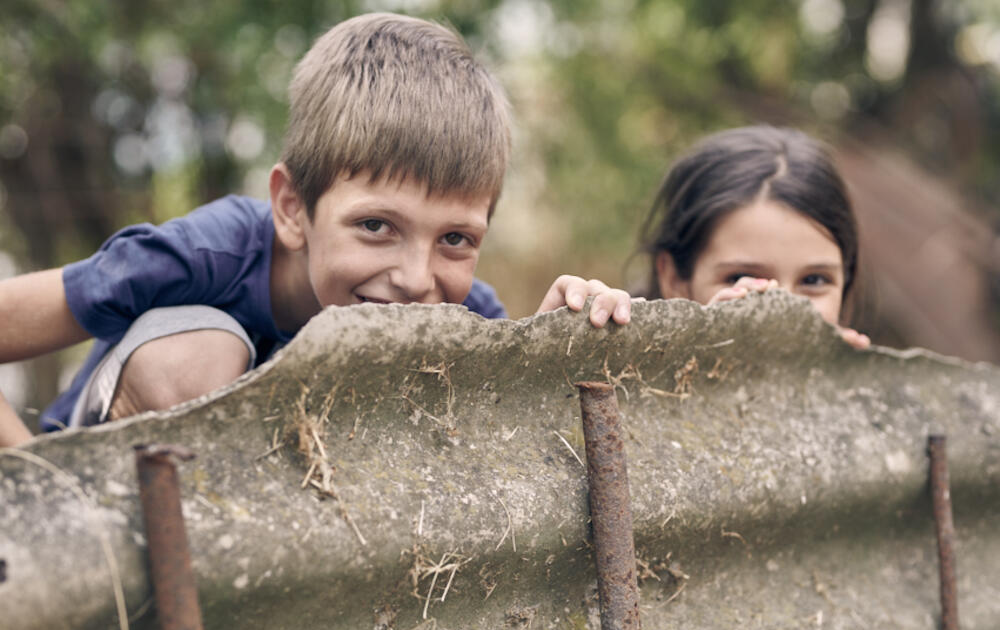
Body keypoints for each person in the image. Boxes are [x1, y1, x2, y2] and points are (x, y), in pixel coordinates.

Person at [0, 13, 631, 447]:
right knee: (200, 354)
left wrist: (548, 349)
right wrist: (28, 479)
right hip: (107, 479)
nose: (415, 280)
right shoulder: (203, 254)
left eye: (455, 239)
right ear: (293, 208)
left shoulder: (462, 309)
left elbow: (510, 436)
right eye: (376, 225)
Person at [636, 124, 870, 350]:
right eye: (742, 277)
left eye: (814, 280)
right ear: (674, 280)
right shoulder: (623, 383)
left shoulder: (869, 387)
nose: (785, 315)